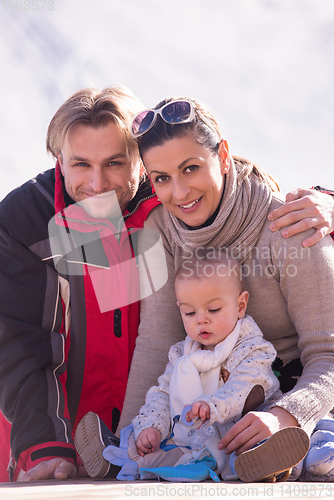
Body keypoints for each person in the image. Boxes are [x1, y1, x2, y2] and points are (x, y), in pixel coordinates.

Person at [116, 96, 334, 481]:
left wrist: (287, 414)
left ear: (223, 156)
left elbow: (328, 353)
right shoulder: (158, 233)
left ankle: (293, 455)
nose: (179, 193)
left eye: (191, 168)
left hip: (293, 400)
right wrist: (129, 440)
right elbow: (155, 343)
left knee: (314, 444)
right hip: (209, 410)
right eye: (162, 178)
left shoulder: (289, 227)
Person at [0, 85, 161, 482]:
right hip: (53, 446)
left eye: (114, 163)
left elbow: (241, 192)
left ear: (140, 159)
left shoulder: (171, 195)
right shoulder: (25, 221)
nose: (98, 182)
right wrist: (45, 446)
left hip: (155, 446)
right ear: (59, 159)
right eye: (81, 164)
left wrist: (324, 201)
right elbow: (21, 343)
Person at [76, 253, 307, 481]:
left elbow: (247, 385)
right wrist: (152, 426)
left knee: (256, 442)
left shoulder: (253, 348)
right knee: (150, 447)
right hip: (192, 440)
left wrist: (213, 405)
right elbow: (163, 393)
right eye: (190, 312)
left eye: (213, 310)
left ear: (240, 305)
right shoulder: (181, 354)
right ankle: (115, 461)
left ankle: (268, 466)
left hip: (237, 432)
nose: (201, 320)